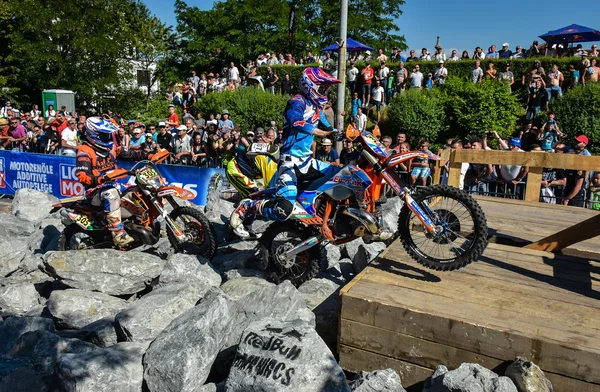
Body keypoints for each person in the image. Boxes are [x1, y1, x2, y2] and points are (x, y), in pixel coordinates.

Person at [229, 67, 342, 238]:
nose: (325, 91)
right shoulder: (296, 102)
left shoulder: (317, 107)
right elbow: (297, 123)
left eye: (326, 88)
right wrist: (325, 134)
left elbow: (329, 128)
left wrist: (348, 134)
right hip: (290, 163)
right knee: (284, 210)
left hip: (308, 162)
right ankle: (248, 206)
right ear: (310, 85)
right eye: (323, 87)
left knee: (343, 175)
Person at [75, 117, 148, 247]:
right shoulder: (84, 150)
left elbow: (130, 154)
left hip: (114, 185)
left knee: (138, 191)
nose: (108, 137)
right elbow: (82, 176)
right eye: (104, 134)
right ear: (94, 134)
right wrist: (100, 179)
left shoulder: (111, 147)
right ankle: (118, 234)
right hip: (95, 191)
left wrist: (150, 155)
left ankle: (142, 227)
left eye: (108, 134)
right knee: (111, 193)